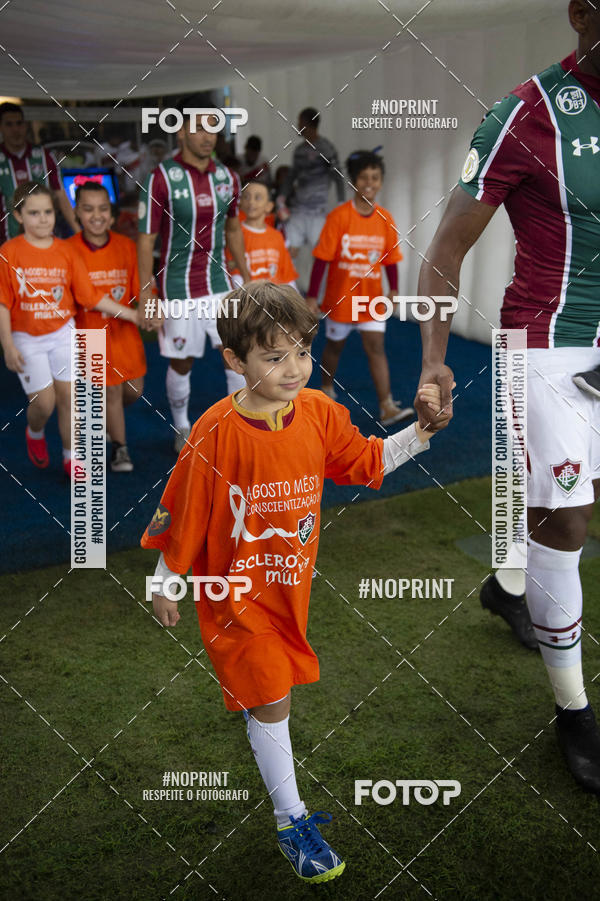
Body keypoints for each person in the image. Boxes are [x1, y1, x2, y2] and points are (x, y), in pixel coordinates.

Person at [142, 280, 442, 882]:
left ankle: (260, 717)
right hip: (233, 597)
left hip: (290, 591)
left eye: (302, 352)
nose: (295, 368)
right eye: (274, 357)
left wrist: (422, 432)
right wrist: (164, 579)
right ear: (234, 360)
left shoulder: (320, 413)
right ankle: (292, 822)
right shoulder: (214, 432)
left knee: (268, 696)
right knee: (273, 694)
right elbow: (186, 510)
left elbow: (368, 460)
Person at [414, 0, 600, 793]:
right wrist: (433, 359)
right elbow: (446, 246)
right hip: (544, 349)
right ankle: (574, 711)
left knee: (568, 504)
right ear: (581, 13)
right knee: (567, 516)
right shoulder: (526, 114)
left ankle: (509, 584)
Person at [0, 182, 140, 477]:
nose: (43, 219)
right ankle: (35, 431)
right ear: (18, 216)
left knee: (70, 397)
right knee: (45, 403)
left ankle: (71, 457)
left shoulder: (66, 251)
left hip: (63, 332)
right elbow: (3, 303)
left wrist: (132, 314)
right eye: (34, 213)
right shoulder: (9, 252)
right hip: (26, 337)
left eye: (48, 212)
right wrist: (8, 345)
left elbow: (89, 296)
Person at [137, 106, 251, 453]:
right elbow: (146, 240)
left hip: (219, 284)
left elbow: (233, 229)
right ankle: (182, 425)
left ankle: (239, 426)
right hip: (177, 289)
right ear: (181, 131)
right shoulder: (161, 177)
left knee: (235, 355)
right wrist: (147, 293)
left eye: (213, 128)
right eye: (199, 127)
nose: (207, 136)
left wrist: (247, 277)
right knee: (181, 362)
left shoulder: (228, 177)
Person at [306, 150, 413, 426]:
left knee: (376, 347)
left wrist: (394, 290)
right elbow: (322, 259)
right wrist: (312, 295)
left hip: (371, 299)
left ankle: (387, 406)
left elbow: (390, 258)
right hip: (340, 298)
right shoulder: (338, 217)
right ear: (354, 181)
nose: (369, 183)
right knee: (334, 346)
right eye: (364, 177)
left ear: (381, 181)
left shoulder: (385, 218)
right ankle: (326, 389)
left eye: (375, 177)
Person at [69, 181, 146, 473]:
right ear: (77, 213)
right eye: (88, 209)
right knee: (110, 391)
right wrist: (133, 314)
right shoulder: (67, 250)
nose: (96, 215)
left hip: (124, 334)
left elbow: (142, 289)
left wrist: (150, 311)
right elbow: (87, 296)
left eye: (102, 209)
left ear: (112, 215)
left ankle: (99, 419)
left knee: (133, 391)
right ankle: (120, 448)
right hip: (89, 333)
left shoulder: (126, 246)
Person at [0, 102, 78, 240]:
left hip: (45, 241)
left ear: (26, 126)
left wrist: (79, 233)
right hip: (6, 242)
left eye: (19, 123)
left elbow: (61, 196)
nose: (15, 129)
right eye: (9, 124)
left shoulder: (44, 156)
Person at [280, 108, 345, 258]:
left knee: (321, 255)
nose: (297, 125)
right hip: (298, 210)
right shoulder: (299, 150)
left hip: (317, 212)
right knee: (289, 252)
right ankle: (290, 275)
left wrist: (341, 202)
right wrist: (281, 198)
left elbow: (338, 176)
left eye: (299, 122)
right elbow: (291, 176)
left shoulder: (326, 148)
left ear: (307, 123)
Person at [227, 181, 298, 287]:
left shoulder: (277, 236)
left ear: (269, 206)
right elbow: (235, 276)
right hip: (247, 294)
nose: (251, 202)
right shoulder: (234, 234)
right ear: (240, 202)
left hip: (274, 295)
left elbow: (288, 278)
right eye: (246, 197)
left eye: (258, 198)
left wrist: (293, 297)